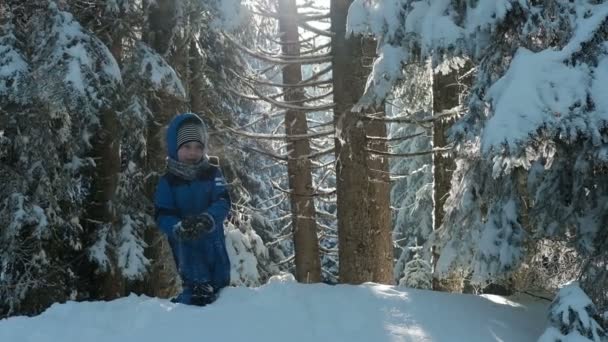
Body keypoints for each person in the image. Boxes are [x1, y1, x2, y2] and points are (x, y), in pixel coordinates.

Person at [154, 112, 231, 306]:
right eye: (186, 147)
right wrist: (177, 227)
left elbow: (223, 200)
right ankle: (193, 298)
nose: (192, 153)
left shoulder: (212, 172)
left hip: (213, 238)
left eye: (198, 147)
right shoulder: (168, 181)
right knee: (197, 284)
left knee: (221, 286)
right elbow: (162, 212)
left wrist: (208, 218)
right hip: (185, 242)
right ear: (175, 147)